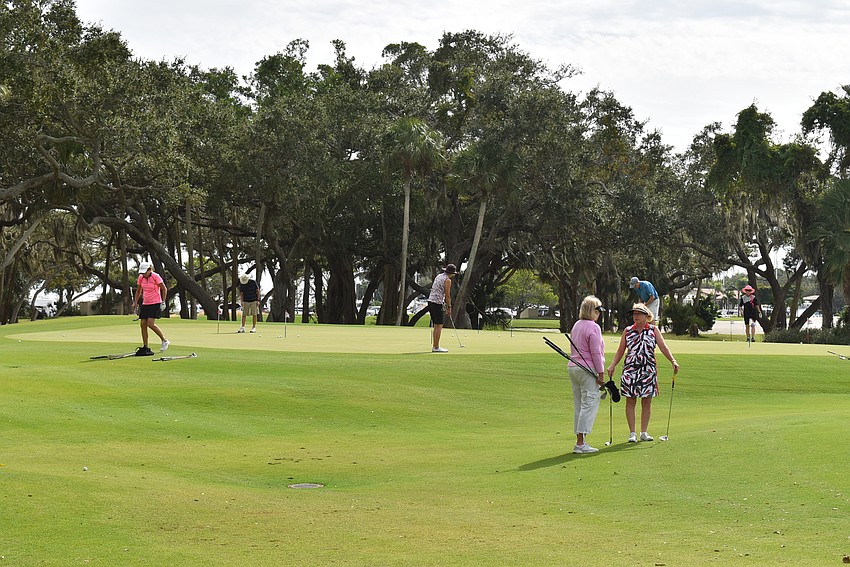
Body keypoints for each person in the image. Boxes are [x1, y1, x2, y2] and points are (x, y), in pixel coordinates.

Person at [607, 303, 679, 443]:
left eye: (638, 314)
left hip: (648, 370)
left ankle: (644, 432)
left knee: (647, 401)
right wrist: (613, 365)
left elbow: (663, 347)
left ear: (646, 316)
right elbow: (620, 350)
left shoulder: (653, 330)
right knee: (631, 400)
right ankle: (632, 433)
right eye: (634, 314)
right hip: (631, 369)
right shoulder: (628, 331)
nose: (635, 316)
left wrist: (673, 360)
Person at [568, 295, 607, 454]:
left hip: (573, 368)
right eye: (598, 310)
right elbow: (596, 352)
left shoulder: (577, 324)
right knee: (589, 404)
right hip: (587, 369)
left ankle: (580, 440)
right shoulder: (593, 327)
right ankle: (580, 443)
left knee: (580, 405)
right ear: (592, 311)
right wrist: (601, 372)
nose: (599, 314)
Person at [132, 261, 170, 355]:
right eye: (142, 272)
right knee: (143, 324)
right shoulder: (141, 278)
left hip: (156, 302)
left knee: (150, 323)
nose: (143, 274)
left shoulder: (155, 276)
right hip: (145, 303)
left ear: (149, 270)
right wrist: (135, 302)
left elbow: (164, 289)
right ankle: (145, 346)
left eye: (145, 272)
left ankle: (164, 340)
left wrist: (163, 301)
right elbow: (138, 291)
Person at [427, 264, 457, 353]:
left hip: (431, 301)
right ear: (452, 273)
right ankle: (436, 347)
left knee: (436, 325)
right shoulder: (447, 280)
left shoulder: (439, 276)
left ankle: (435, 346)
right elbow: (447, 295)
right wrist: (449, 307)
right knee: (439, 325)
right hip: (436, 303)